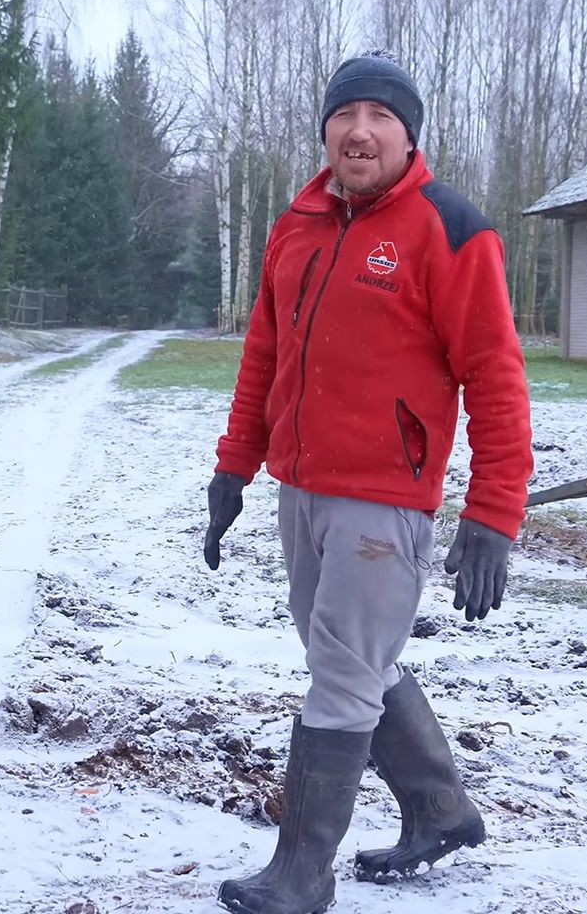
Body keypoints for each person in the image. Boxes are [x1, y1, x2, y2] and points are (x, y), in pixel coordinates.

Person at [203, 51, 533, 914]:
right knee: (344, 656)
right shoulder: (295, 226)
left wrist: (494, 509)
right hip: (302, 487)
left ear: (408, 134)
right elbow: (264, 356)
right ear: (325, 131)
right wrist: (234, 466)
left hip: (386, 499)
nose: (360, 132)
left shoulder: (450, 228)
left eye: (381, 118)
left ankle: (301, 874)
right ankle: (440, 809)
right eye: (346, 116)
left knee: (341, 677)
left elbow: (496, 376)